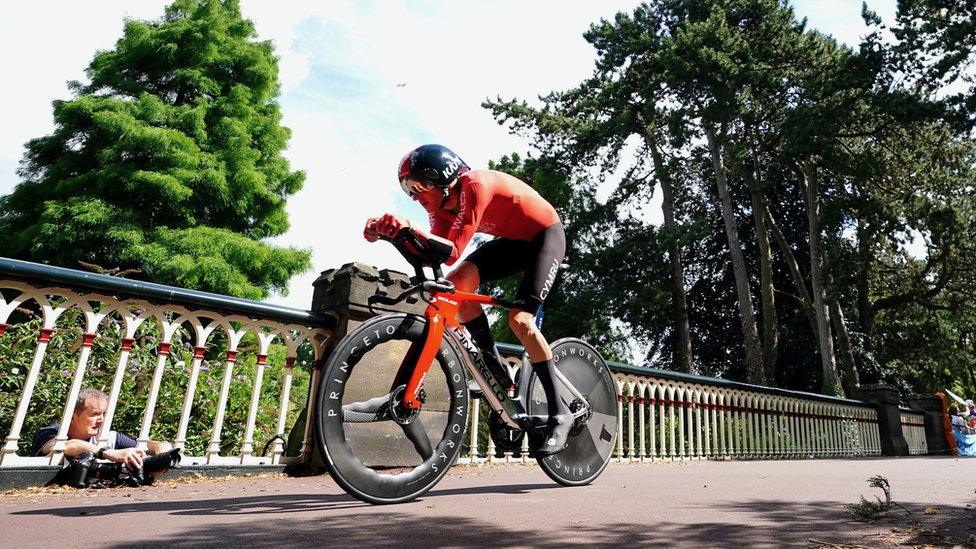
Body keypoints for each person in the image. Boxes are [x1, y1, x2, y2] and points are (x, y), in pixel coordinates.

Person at [364, 143, 570, 455]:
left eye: (418, 186)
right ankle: (494, 364)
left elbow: (453, 250)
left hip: (545, 235)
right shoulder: (439, 209)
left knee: (520, 319)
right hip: (514, 242)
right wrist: (390, 233)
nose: (414, 196)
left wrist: (407, 227)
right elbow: (440, 257)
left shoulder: (474, 185)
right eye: (408, 190)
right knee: (455, 287)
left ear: (444, 179)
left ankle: (560, 413)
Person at [32, 388, 172, 472]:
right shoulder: (49, 432)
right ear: (73, 415)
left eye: (104, 414)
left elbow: (154, 445)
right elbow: (65, 446)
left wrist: (161, 455)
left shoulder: (108, 436)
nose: (101, 420)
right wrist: (110, 454)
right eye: (95, 414)